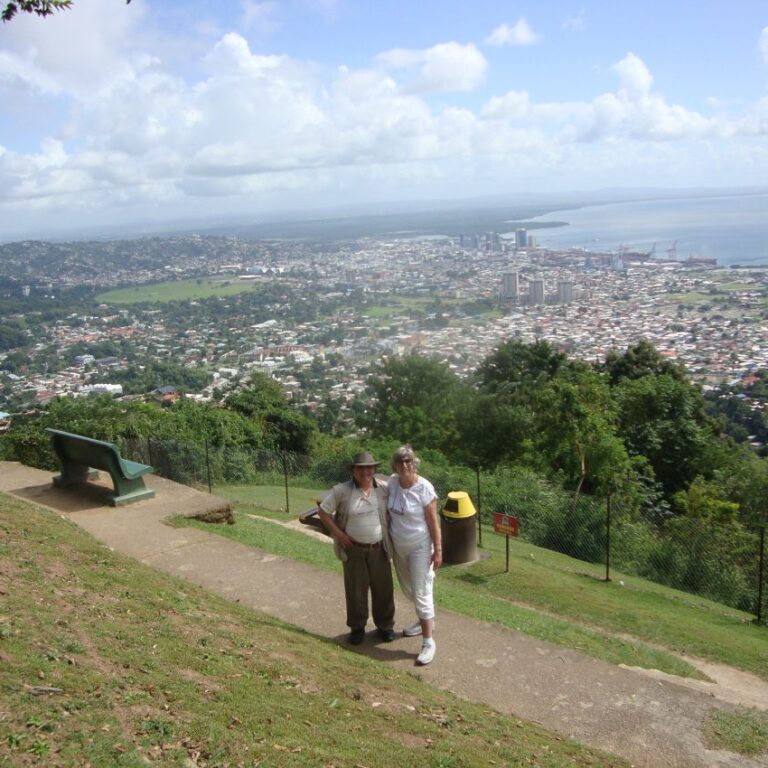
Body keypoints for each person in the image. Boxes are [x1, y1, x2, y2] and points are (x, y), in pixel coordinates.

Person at [318, 451, 395, 646]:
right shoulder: (341, 491)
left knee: (384, 589)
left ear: (375, 470)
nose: (365, 472)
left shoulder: (383, 489)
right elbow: (323, 512)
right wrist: (339, 534)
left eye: (369, 468)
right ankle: (357, 627)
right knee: (356, 590)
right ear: (353, 470)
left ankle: (385, 626)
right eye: (360, 468)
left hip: (380, 549)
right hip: (354, 550)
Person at [387, 445, 441, 665]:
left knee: (420, 592)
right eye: (401, 462)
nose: (405, 465)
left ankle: (428, 641)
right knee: (409, 589)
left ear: (414, 463)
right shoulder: (392, 482)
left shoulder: (424, 488)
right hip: (399, 547)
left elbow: (433, 522)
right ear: (395, 466)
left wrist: (438, 550)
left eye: (408, 461)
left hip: (420, 546)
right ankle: (423, 620)